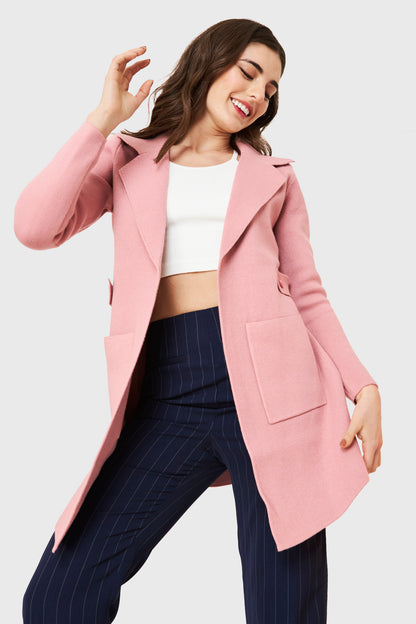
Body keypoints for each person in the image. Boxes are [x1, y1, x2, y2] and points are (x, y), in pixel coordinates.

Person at [16, 18, 382, 624]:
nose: (258, 94)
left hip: (276, 390)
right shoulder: (127, 159)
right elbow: (35, 228)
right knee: (59, 597)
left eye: (271, 88)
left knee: (283, 607)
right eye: (249, 72)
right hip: (168, 389)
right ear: (209, 61)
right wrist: (101, 121)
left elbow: (307, 291)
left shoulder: (274, 177)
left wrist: (361, 385)